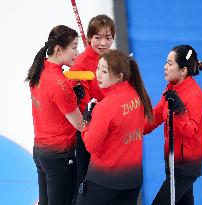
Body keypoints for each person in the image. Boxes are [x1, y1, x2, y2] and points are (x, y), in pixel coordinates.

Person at [75, 49, 153, 205]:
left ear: (120, 76)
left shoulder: (105, 108)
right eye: (98, 68)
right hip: (132, 179)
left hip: (103, 179)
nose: (98, 74)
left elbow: (91, 145)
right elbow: (142, 126)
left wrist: (87, 121)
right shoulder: (137, 95)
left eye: (104, 71)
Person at [25, 25, 83, 205]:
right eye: (74, 47)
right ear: (59, 49)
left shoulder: (39, 68)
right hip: (60, 156)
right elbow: (80, 124)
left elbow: (52, 97)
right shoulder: (60, 84)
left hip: (41, 151)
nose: (77, 52)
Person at [144, 45, 202, 205]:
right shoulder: (172, 89)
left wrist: (179, 111)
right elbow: (155, 116)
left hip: (184, 167)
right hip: (173, 162)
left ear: (183, 70)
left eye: (170, 63)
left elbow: (189, 131)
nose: (165, 67)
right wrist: (129, 127)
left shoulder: (195, 97)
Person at [69, 14, 116, 200]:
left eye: (108, 37)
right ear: (89, 38)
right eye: (98, 38)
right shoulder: (80, 66)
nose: (103, 43)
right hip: (90, 131)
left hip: (109, 129)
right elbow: (84, 107)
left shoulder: (112, 59)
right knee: (85, 180)